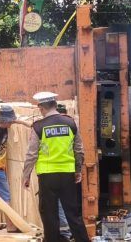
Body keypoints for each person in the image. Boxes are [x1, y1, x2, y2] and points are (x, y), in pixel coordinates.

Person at [22, 91, 90, 242]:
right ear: (54, 105)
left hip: (47, 177)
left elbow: (31, 154)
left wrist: (25, 176)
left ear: (42, 108)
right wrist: (78, 170)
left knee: (49, 215)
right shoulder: (70, 123)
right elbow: (79, 150)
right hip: (67, 174)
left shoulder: (38, 127)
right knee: (73, 213)